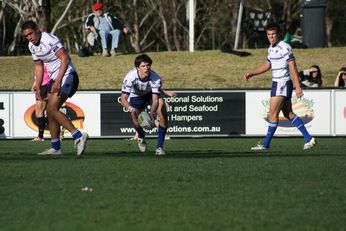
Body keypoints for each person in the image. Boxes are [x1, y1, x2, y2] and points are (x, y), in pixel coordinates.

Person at [243, 22, 316, 150]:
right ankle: (308, 139)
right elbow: (268, 65)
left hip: (282, 83)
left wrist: (298, 86)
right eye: (268, 34)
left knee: (272, 115)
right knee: (288, 114)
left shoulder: (284, 47)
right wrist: (252, 73)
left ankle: (265, 144)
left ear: (278, 34)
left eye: (273, 34)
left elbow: (293, 66)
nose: (271, 37)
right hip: (279, 83)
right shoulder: (271, 48)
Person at [21, 20, 88, 156]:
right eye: (26, 36)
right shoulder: (32, 46)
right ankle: (56, 147)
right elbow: (39, 66)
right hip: (55, 79)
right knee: (50, 112)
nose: (29, 38)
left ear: (37, 30)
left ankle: (79, 135)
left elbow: (65, 58)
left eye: (31, 34)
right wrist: (38, 86)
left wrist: (57, 81)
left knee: (52, 109)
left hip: (67, 76)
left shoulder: (49, 39)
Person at [121, 54, 168, 155]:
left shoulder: (155, 78)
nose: (146, 68)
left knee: (161, 104)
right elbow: (123, 98)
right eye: (143, 66)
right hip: (135, 96)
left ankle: (159, 147)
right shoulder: (130, 77)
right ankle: (141, 137)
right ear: (138, 67)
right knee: (134, 114)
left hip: (149, 94)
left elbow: (155, 100)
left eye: (148, 65)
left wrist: (152, 114)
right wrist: (130, 108)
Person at [31, 64, 51, 141]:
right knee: (39, 113)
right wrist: (33, 86)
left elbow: (40, 77)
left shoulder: (43, 63)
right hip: (43, 87)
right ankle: (59, 125)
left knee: (39, 113)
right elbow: (37, 77)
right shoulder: (42, 62)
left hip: (44, 87)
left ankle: (40, 136)